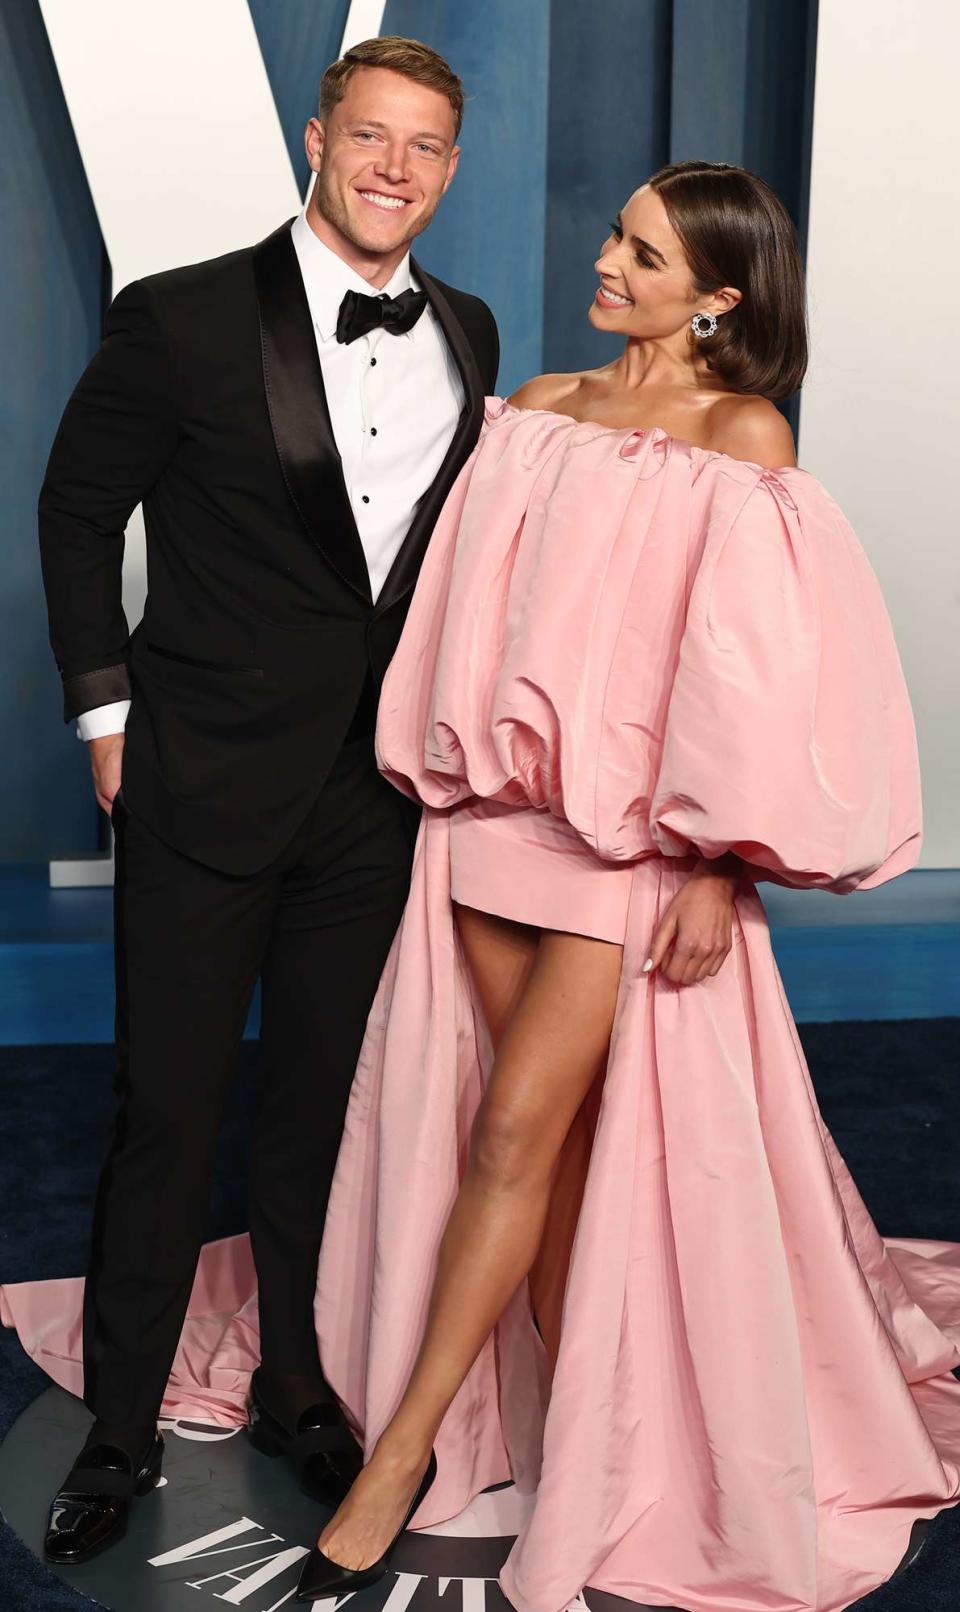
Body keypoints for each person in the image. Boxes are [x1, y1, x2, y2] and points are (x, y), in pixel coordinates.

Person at [295, 162, 960, 1609]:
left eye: (643, 252)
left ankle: (400, 1453)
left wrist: (719, 864)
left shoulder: (743, 434)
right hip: (491, 831)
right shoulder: (533, 412)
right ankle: (578, 1422)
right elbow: (475, 620)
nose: (606, 260)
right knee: (554, 1154)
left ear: (718, 296)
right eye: (614, 233)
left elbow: (749, 676)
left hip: (628, 856)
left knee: (511, 1136)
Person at [33, 34, 498, 1565]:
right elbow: (74, 507)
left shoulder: (472, 335)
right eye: (371, 137)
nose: (394, 169)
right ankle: (118, 1426)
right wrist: (106, 713)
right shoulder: (178, 318)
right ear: (317, 139)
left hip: (371, 803)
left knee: (313, 1113)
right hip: (198, 780)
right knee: (168, 1115)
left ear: (448, 165)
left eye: (425, 146)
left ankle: (299, 1383)